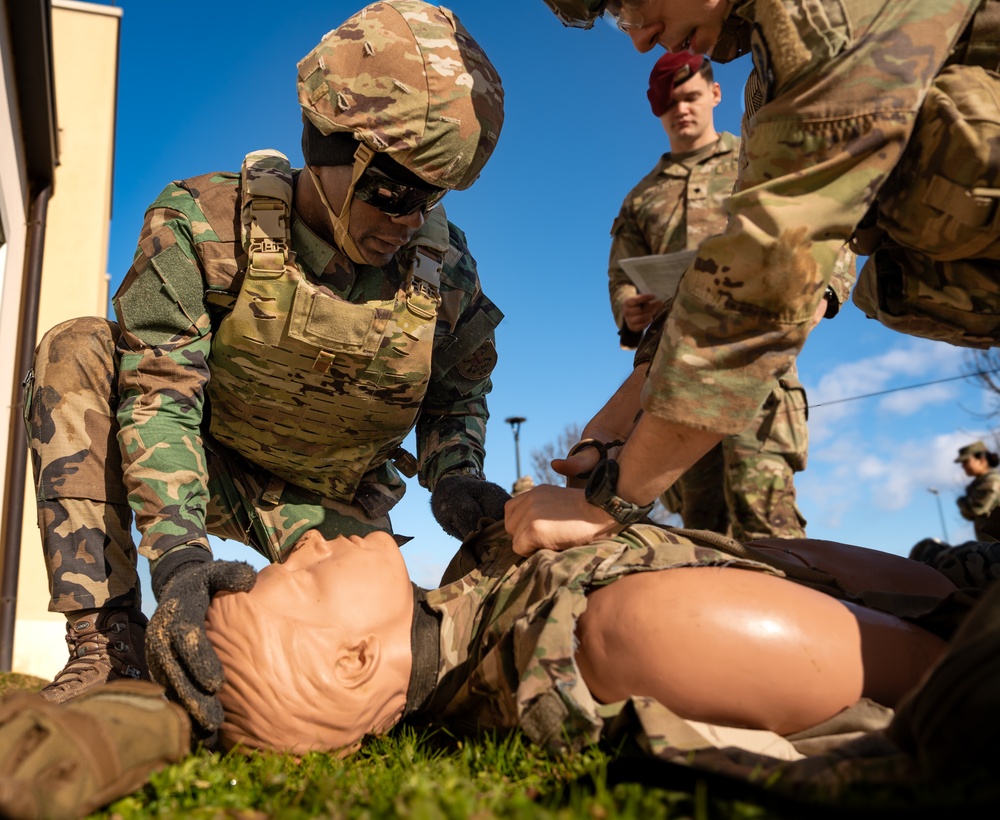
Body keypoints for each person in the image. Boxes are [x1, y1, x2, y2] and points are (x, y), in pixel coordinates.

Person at [23, 0, 507, 734]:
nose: (410, 217)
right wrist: (180, 561)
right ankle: (107, 649)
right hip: (206, 459)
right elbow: (160, 399)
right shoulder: (206, 225)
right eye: (393, 190)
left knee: (378, 672)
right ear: (328, 146)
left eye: (431, 195)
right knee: (80, 348)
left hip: (326, 506)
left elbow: (457, 391)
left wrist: (458, 474)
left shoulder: (444, 272)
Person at [508, 0, 1000, 557]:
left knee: (771, 547)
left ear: (709, 95)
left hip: (744, 374)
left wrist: (607, 504)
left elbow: (777, 268)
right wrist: (618, 422)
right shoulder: (757, 100)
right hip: (684, 388)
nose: (639, 38)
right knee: (703, 551)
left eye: (627, 3)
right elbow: (701, 277)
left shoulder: (817, 18)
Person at [204, 524, 954, 760]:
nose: (302, 542)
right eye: (297, 578)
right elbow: (948, 672)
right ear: (355, 659)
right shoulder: (623, 632)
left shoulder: (480, 605)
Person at [610, 51, 825, 539]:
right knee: (699, 536)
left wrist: (822, 296)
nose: (681, 110)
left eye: (689, 97)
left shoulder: (756, 160)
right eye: (669, 104)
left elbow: (816, 222)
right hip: (674, 382)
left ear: (715, 93)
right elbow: (621, 275)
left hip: (758, 371)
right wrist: (629, 308)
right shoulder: (641, 199)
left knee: (770, 532)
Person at [954, 440, 1000, 541]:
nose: (963, 466)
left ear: (982, 460)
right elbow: (969, 515)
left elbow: (975, 509)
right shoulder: (977, 484)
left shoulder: (992, 481)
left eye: (966, 461)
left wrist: (961, 501)